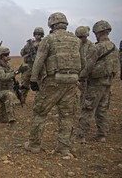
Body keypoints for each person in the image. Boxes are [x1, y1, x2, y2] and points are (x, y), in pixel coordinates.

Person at [24, 12, 81, 156]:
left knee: (40, 112)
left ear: (52, 24)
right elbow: (82, 62)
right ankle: (64, 148)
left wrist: (33, 79)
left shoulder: (49, 39)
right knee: (67, 115)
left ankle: (34, 145)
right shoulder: (75, 40)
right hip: (72, 81)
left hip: (53, 81)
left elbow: (39, 60)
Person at [76, 20, 120, 143]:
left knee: (87, 107)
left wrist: (81, 77)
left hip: (96, 83)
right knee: (102, 108)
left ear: (98, 32)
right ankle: (102, 134)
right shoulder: (114, 47)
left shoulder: (97, 47)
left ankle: (81, 135)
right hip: (108, 82)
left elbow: (89, 66)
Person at [20, 27, 44, 104]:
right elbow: (22, 53)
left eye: (40, 34)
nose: (38, 36)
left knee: (40, 84)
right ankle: (22, 99)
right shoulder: (29, 44)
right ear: (34, 35)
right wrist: (28, 53)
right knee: (25, 83)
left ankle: (39, 101)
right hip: (29, 66)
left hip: (39, 67)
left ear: (42, 35)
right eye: (36, 34)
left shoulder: (44, 43)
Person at [75, 26, 95, 110]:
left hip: (87, 74)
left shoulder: (91, 46)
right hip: (76, 74)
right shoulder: (75, 45)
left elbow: (91, 63)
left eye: (81, 37)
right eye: (78, 37)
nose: (79, 39)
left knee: (85, 94)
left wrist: (83, 75)